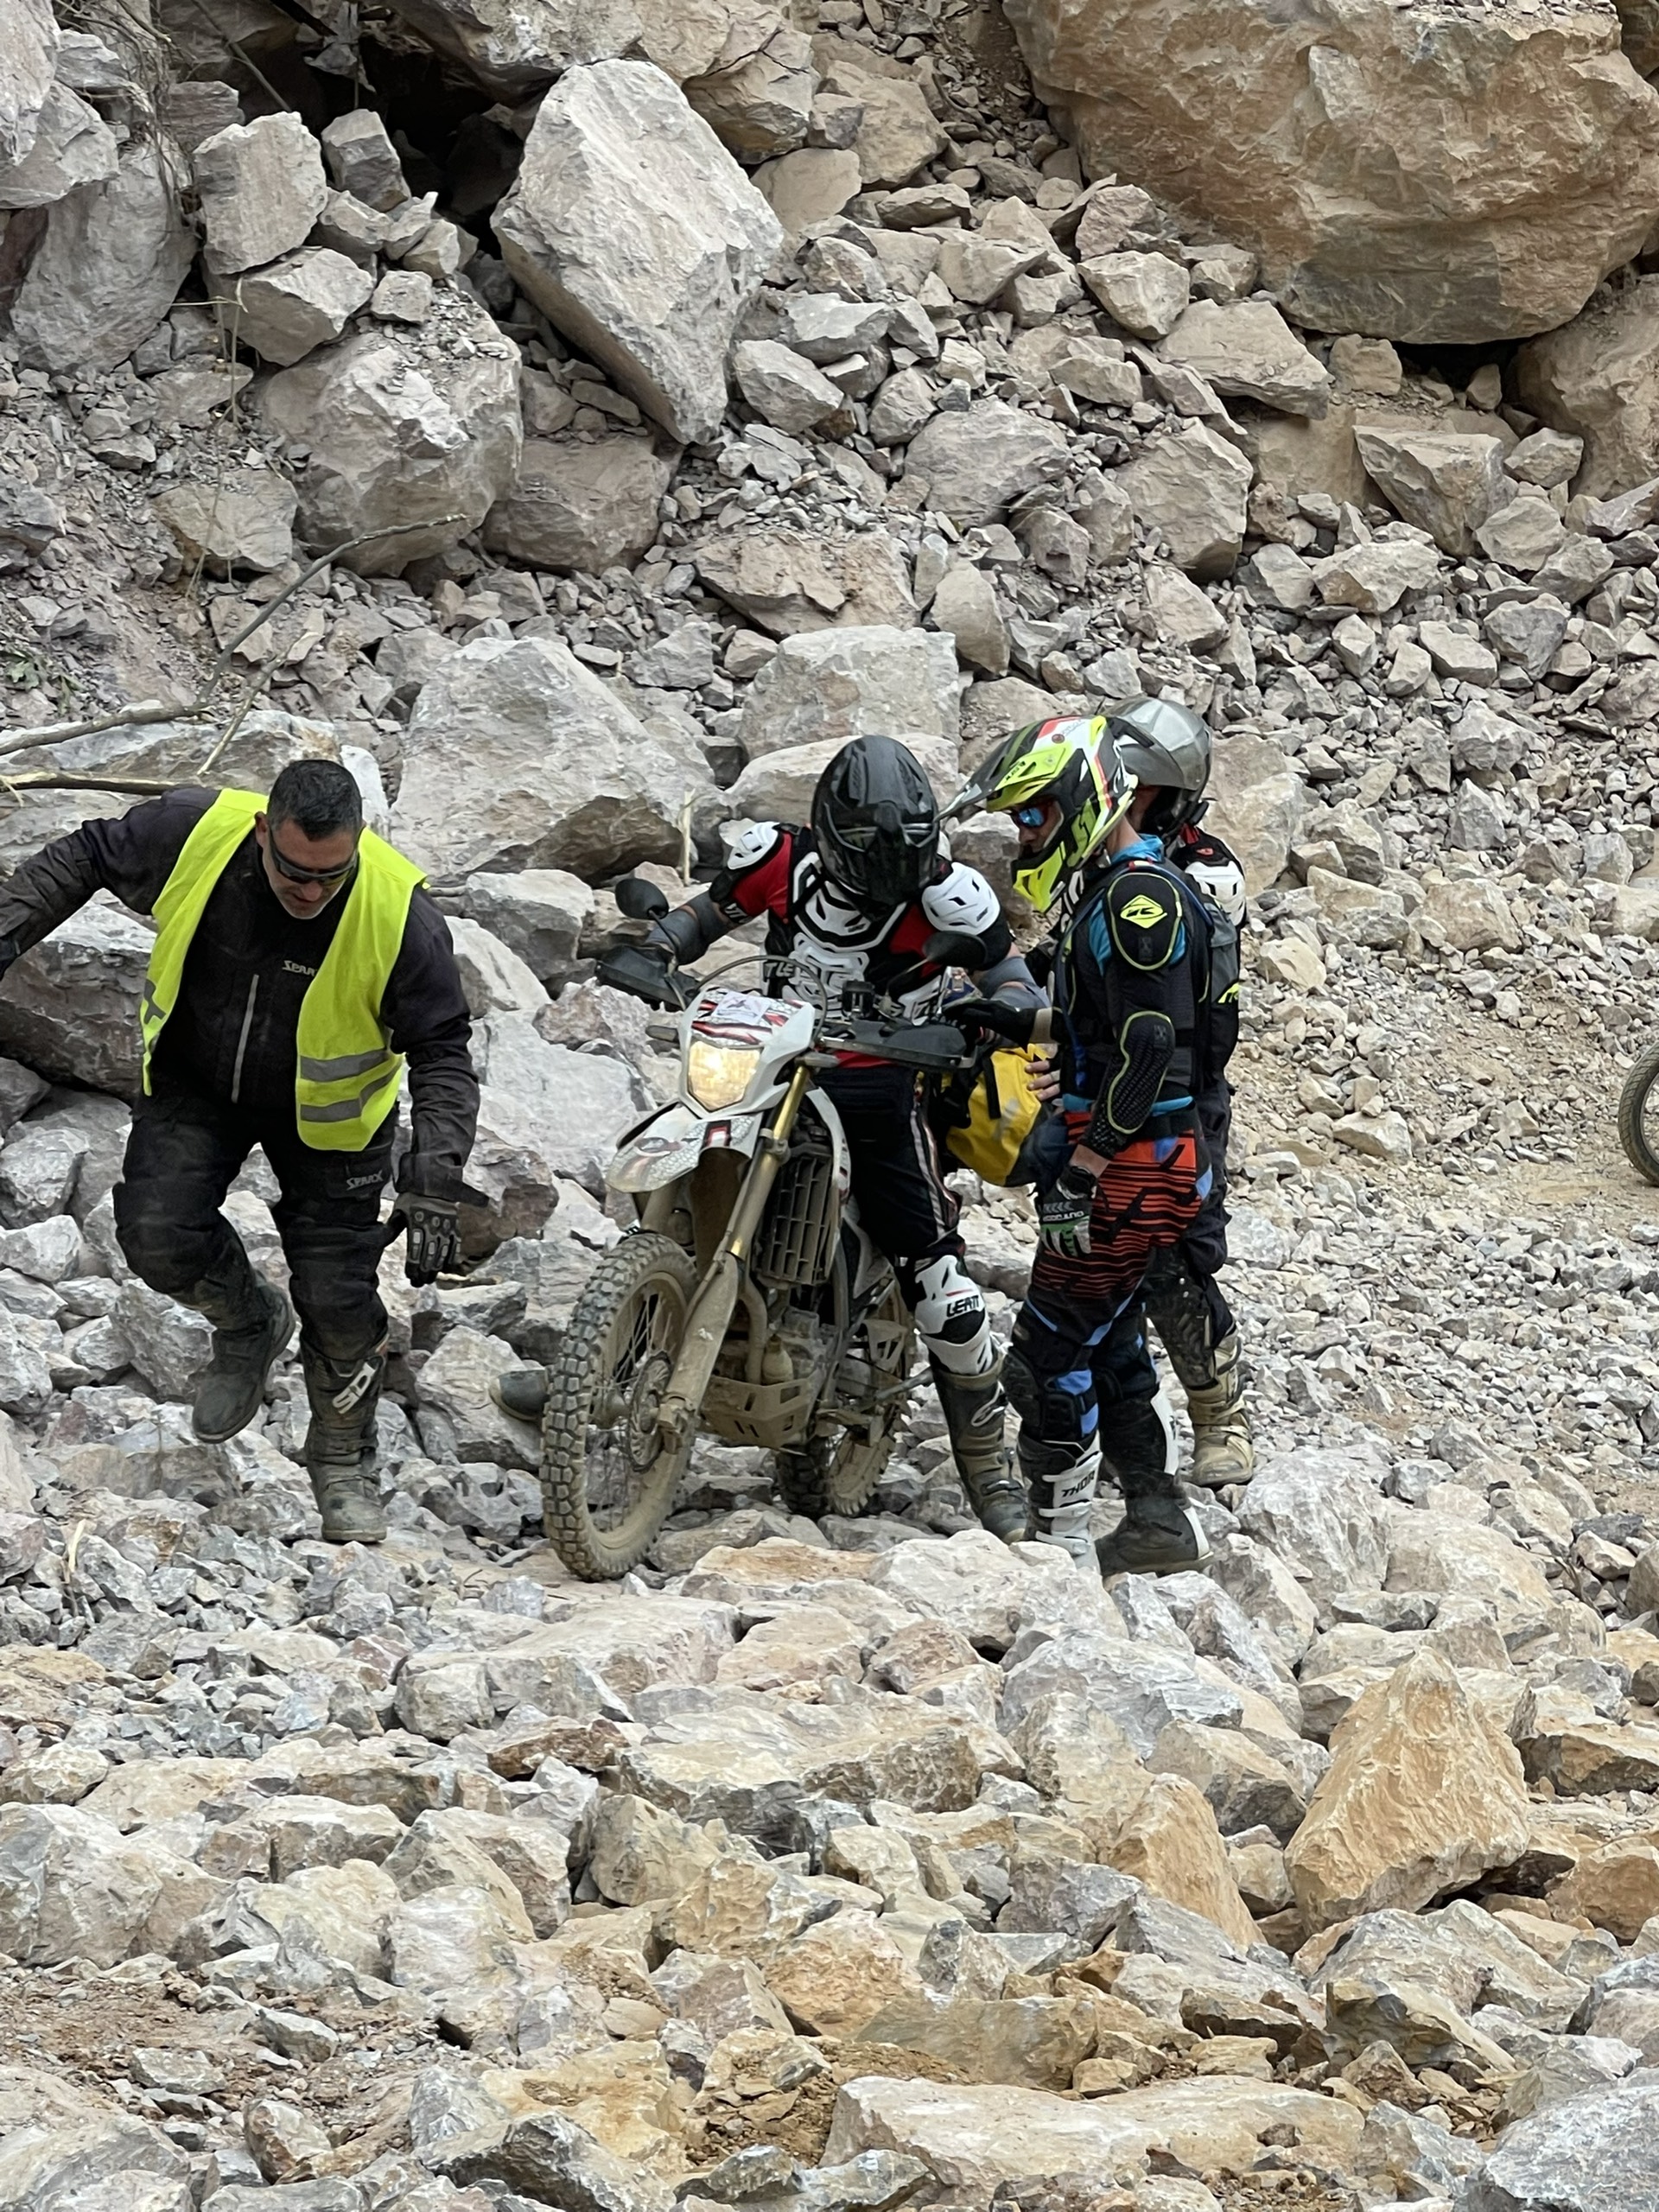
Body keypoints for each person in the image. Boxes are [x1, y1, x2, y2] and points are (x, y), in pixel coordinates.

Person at [502, 735, 1044, 1543]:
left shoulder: (949, 897)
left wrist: (994, 1012)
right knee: (678, 1182)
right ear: (831, 833)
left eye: (906, 852)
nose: (894, 869)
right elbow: (703, 916)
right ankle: (599, 1365)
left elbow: (1010, 978)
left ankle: (988, 1463)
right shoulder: (779, 863)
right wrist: (656, 949)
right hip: (768, 1055)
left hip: (882, 1080)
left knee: (931, 1267)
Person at [0, 761, 477, 1543]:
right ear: (263, 830)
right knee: (156, 1236)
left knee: (340, 1299)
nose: (311, 892)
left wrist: (434, 1179)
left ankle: (342, 1459)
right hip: (198, 1081)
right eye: (294, 871)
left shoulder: (402, 917)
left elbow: (444, 1052)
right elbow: (85, 854)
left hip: (331, 1128)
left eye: (331, 875)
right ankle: (251, 1322)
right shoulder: (194, 833)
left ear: (358, 844)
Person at [963, 700, 1224, 1576]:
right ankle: (1154, 1516)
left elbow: (1152, 1047)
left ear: (1086, 801)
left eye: (1036, 813)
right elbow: (1109, 1025)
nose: (1026, 833)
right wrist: (1010, 1016)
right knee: (1108, 1341)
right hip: (1132, 1161)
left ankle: (1061, 1545)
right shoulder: (1113, 892)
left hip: (1132, 1166)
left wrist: (1082, 1166)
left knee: (1044, 1357)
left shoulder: (1140, 898)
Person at [1141, 817, 1254, 1488]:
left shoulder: (1204, 870)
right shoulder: (1097, 860)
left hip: (1181, 1091)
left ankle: (1220, 1417)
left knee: (1176, 1257)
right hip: (1099, 1080)